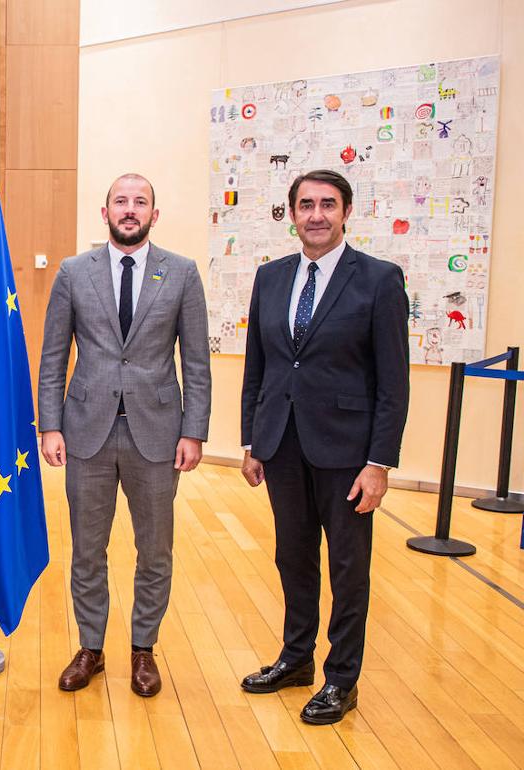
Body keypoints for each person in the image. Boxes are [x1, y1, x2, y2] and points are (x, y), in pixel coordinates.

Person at [239, 169, 408, 725]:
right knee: (292, 557)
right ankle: (295, 658)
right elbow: (259, 367)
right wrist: (252, 441)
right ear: (292, 213)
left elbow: (393, 382)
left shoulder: (379, 280)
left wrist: (379, 463)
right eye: (306, 204)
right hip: (281, 445)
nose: (316, 214)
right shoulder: (270, 277)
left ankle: (342, 679)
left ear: (346, 212)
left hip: (348, 454)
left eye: (328, 204)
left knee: (348, 565)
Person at [38, 173, 211, 696]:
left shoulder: (181, 273)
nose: (130, 209)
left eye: (140, 202)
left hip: (157, 435)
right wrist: (49, 424)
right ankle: (91, 648)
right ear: (105, 211)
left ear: (154, 214)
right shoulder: (73, 272)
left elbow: (196, 361)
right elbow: (52, 357)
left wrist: (194, 431)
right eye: (121, 201)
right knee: (88, 551)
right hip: (86, 432)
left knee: (154, 551)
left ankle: (143, 650)